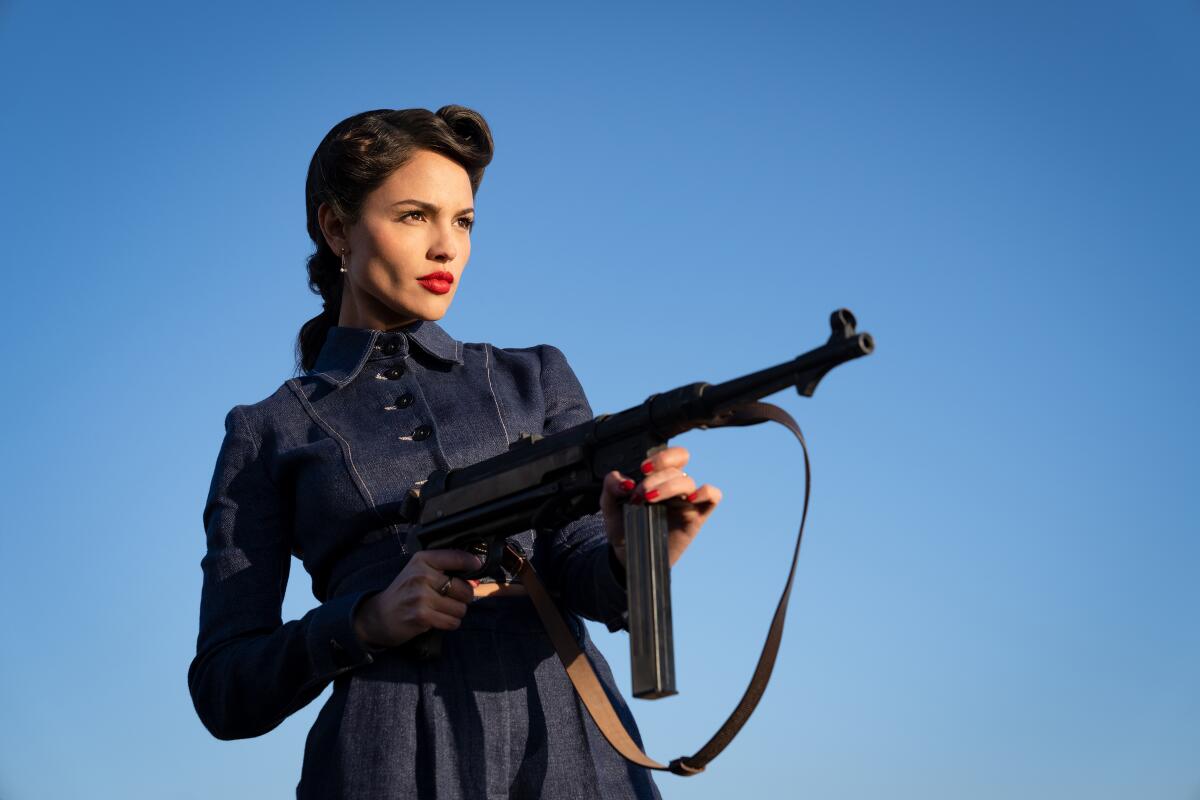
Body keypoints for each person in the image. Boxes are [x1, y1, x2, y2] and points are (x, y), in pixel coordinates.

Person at [188, 105, 722, 799]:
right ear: (337, 227)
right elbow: (225, 689)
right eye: (415, 215)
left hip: (569, 740)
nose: (448, 247)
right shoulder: (268, 429)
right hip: (384, 761)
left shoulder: (535, 376)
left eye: (463, 221)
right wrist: (365, 621)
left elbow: (581, 565)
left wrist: (633, 549)